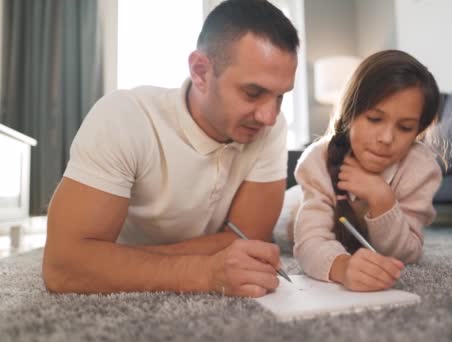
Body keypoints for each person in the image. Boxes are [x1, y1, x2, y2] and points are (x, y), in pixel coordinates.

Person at [42, 0, 299, 298]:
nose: (269, 116)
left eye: (280, 97)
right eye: (252, 92)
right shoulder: (124, 117)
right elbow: (64, 266)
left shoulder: (270, 127)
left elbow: (248, 237)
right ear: (200, 71)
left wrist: (117, 260)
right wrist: (203, 272)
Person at [292, 50, 442, 292]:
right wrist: (342, 267)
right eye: (374, 119)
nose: (386, 138)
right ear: (350, 113)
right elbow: (309, 241)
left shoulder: (421, 169)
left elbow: (407, 253)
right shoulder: (316, 161)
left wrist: (382, 198)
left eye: (405, 127)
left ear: (418, 132)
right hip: (289, 211)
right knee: (282, 223)